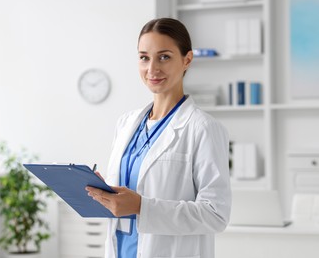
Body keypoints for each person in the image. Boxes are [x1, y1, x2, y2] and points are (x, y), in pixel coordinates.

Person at [86, 17, 231, 258]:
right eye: (144, 57)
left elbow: (216, 215)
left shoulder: (203, 128)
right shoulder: (125, 124)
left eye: (164, 57)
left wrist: (142, 207)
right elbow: (126, 197)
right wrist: (102, 193)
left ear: (187, 59)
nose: (152, 68)